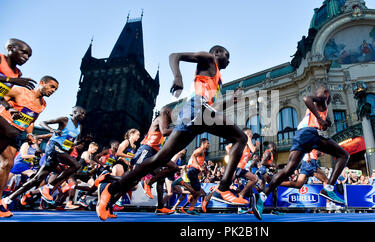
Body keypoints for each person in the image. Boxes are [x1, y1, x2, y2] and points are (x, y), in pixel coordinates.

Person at [96, 45, 249, 220]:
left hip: (200, 115)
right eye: (226, 55)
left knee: (159, 159)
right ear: (216, 53)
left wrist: (232, 100)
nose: (228, 60)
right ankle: (222, 188)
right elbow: (175, 55)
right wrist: (178, 76)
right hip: (196, 110)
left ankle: (111, 190)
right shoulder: (208, 58)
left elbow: (213, 107)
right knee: (240, 138)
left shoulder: (217, 80)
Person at [255, 85, 350, 219]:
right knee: (343, 155)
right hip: (310, 134)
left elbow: (317, 116)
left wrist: (322, 121)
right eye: (328, 94)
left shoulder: (313, 111)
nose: (329, 96)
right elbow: (306, 98)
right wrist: (320, 118)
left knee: (287, 170)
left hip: (301, 135)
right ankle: (328, 189)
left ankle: (261, 197)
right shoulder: (323, 99)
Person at [3, 106, 85, 208]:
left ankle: (7, 199)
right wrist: (52, 130)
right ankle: (48, 187)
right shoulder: (65, 120)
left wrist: (83, 141)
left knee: (36, 180)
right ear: (74, 112)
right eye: (81, 113)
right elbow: (43, 123)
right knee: (76, 165)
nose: (83, 115)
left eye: (84, 114)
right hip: (54, 147)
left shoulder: (79, 127)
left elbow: (75, 142)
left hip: (61, 152)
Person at [0, 75, 58, 217]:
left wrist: (30, 134)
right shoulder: (21, 91)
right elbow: (2, 96)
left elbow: (31, 120)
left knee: (7, 164)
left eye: (55, 89)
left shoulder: (43, 105)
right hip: (1, 127)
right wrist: (10, 108)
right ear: (42, 83)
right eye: (51, 87)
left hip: (14, 135)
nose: (53, 91)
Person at [0, 38, 36, 109]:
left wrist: (10, 109)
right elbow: (11, 80)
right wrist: (11, 80)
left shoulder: (18, 73)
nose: (26, 57)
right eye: (24, 52)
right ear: (10, 48)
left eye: (29, 56)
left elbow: (1, 95)